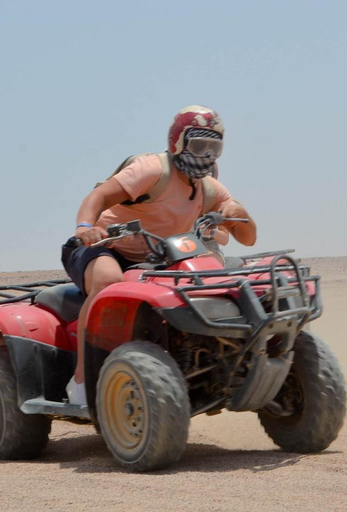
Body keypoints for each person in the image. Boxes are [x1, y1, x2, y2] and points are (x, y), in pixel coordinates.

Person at [63, 105, 257, 406]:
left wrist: (239, 214)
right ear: (177, 142)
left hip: (158, 258)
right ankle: (81, 382)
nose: (206, 154)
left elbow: (247, 238)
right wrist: (86, 227)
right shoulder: (152, 170)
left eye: (213, 147)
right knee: (108, 281)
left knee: (208, 280)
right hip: (103, 248)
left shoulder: (210, 189)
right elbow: (98, 197)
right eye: (198, 144)